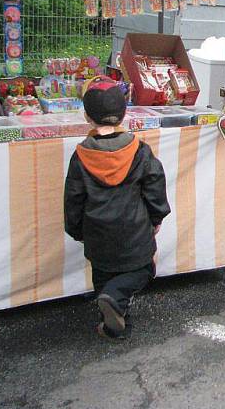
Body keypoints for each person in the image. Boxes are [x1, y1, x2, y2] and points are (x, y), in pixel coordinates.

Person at [64, 76, 171, 340]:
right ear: (124, 114)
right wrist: (156, 216)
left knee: (103, 276)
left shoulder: (81, 156)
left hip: (97, 233)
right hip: (134, 231)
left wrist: (77, 230)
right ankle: (115, 299)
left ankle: (113, 324)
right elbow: (155, 183)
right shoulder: (139, 151)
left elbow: (73, 198)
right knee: (144, 268)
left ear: (87, 117)